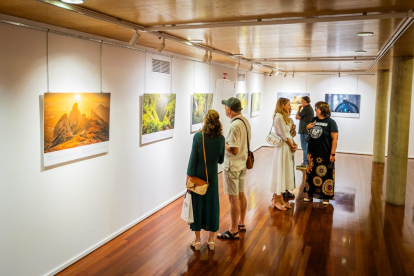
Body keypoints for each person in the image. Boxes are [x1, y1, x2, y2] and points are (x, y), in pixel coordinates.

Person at [187, 109, 225, 250]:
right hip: (212, 178)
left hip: (198, 177)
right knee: (212, 206)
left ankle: (197, 241)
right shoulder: (221, 139)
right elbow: (221, 160)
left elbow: (192, 160)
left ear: (205, 121)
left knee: (197, 207)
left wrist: (188, 177)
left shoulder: (198, 137)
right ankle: (211, 241)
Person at [217, 97, 251, 240]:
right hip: (242, 164)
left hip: (233, 166)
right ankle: (241, 223)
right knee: (241, 194)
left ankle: (233, 230)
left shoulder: (233, 126)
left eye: (225, 107)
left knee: (233, 198)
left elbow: (234, 150)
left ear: (229, 110)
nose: (224, 109)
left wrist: (222, 142)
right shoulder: (244, 121)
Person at [304, 101, 338, 205]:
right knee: (310, 175)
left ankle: (325, 197)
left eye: (317, 108)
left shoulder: (331, 122)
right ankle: (309, 194)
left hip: (325, 153)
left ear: (323, 109)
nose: (315, 110)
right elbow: (309, 133)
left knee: (326, 176)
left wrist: (332, 154)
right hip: (312, 154)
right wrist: (307, 128)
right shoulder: (313, 120)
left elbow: (334, 139)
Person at [270, 98, 297, 211]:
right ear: (282, 105)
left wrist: (293, 143)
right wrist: (292, 146)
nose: (289, 106)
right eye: (287, 105)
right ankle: (276, 200)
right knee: (280, 172)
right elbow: (283, 136)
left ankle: (281, 199)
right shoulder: (278, 117)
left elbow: (289, 134)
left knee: (284, 172)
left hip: (287, 148)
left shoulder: (285, 118)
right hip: (282, 149)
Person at [296, 96, 314, 167]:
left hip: (304, 131)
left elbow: (297, 117)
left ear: (304, 101)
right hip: (306, 130)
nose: (301, 102)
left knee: (304, 147)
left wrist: (298, 109)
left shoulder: (306, 109)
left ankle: (305, 163)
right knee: (306, 147)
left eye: (302, 101)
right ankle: (306, 162)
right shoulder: (309, 108)